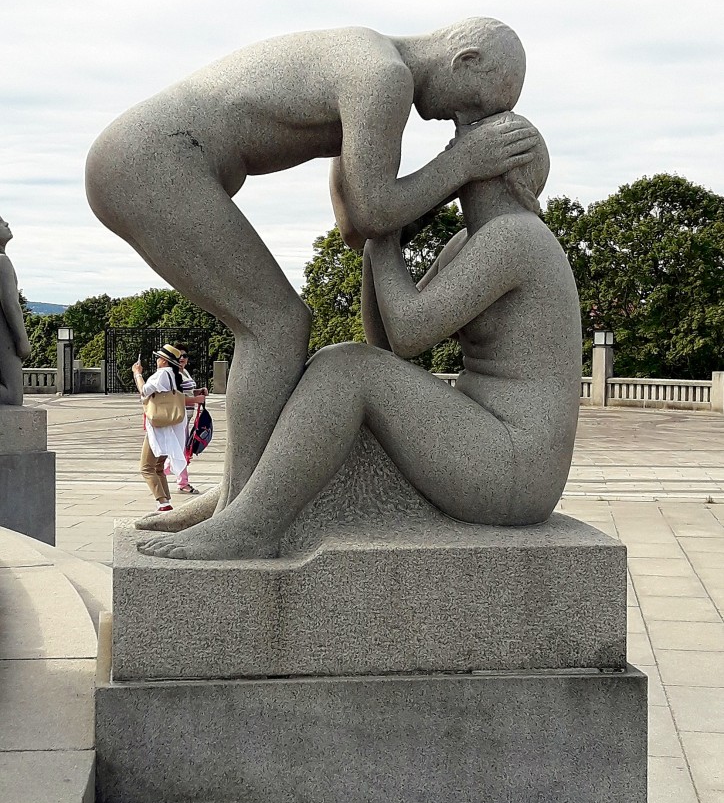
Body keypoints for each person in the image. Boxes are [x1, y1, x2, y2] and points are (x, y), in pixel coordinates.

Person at [86, 17, 537, 533]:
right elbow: (372, 214)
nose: (463, 123)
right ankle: (243, 516)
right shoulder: (384, 76)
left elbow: (352, 222)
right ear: (466, 61)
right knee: (276, 325)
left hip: (137, 153)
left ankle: (236, 500)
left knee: (274, 324)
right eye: (475, 106)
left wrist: (422, 196)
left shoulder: (369, 61)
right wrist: (463, 163)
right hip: (152, 158)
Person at [137, 115, 582, 561]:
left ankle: (250, 526)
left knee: (344, 368)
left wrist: (384, 229)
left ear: (501, 165)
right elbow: (386, 341)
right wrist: (377, 242)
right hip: (484, 440)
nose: (452, 157)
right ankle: (235, 501)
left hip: (516, 466)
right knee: (334, 392)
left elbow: (406, 335)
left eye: (465, 147)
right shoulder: (467, 242)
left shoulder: (516, 236)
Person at [132, 344, 197, 512]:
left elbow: (144, 391)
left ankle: (163, 503)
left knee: (146, 468)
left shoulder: (162, 374)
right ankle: (165, 500)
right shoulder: (176, 375)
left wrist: (137, 374)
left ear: (164, 361)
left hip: (159, 425)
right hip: (171, 426)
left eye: (159, 358)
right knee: (158, 467)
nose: (157, 360)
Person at [163, 343, 209, 494]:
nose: (182, 358)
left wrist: (198, 392)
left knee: (181, 450)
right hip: (178, 417)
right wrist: (197, 400)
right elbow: (176, 398)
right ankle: (180, 481)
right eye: (179, 356)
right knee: (182, 451)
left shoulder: (185, 372)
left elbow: (188, 392)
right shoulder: (174, 374)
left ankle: (163, 470)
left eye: (185, 356)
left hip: (186, 417)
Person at [0, 215, 31, 406]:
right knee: (13, 395)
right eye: (0, 223)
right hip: (3, 335)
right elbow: (11, 304)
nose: (6, 224)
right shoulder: (2, 261)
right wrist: (22, 340)